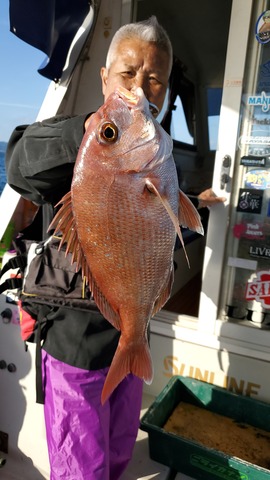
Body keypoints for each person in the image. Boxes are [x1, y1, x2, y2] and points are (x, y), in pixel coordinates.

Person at [5, 16, 224, 480]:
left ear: (164, 92)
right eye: (128, 74)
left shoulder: (155, 151)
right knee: (82, 470)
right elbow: (19, 164)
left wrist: (195, 209)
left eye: (155, 80)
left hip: (129, 336)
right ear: (105, 78)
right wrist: (99, 131)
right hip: (75, 345)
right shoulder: (79, 140)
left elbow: (158, 230)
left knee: (120, 455)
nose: (140, 89)